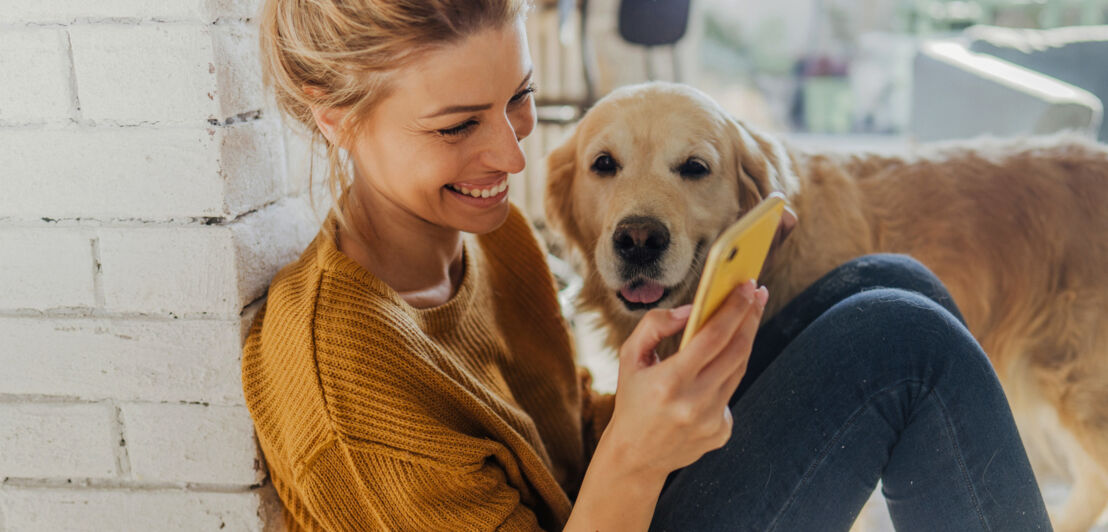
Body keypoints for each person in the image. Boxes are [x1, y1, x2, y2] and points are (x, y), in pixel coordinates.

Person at [242, 1, 1052, 530]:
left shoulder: (483, 235)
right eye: (457, 126)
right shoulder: (348, 382)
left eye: (517, 100)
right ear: (338, 123)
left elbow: (556, 431)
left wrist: (653, 396)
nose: (511, 153)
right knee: (899, 341)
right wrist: (635, 447)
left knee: (887, 286)